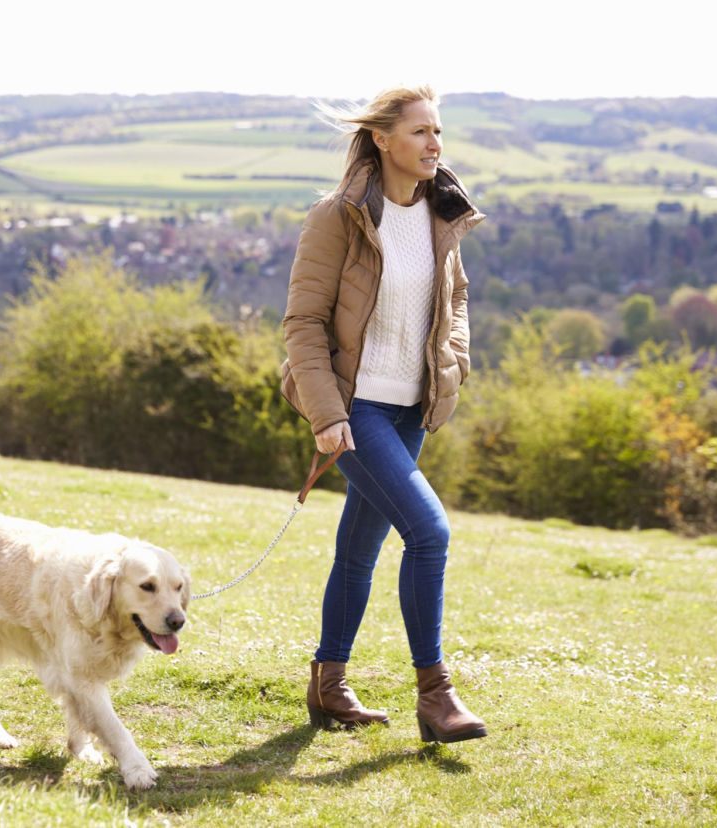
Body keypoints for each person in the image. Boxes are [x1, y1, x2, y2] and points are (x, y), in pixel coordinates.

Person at [281, 85, 487, 743]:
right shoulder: (337, 217)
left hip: (408, 410)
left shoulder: (441, 213)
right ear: (382, 139)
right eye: (421, 132)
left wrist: (451, 362)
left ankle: (328, 681)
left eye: (438, 132)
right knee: (429, 533)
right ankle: (436, 695)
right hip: (356, 407)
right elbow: (305, 323)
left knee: (360, 546)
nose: (435, 144)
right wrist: (325, 414)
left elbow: (454, 299)